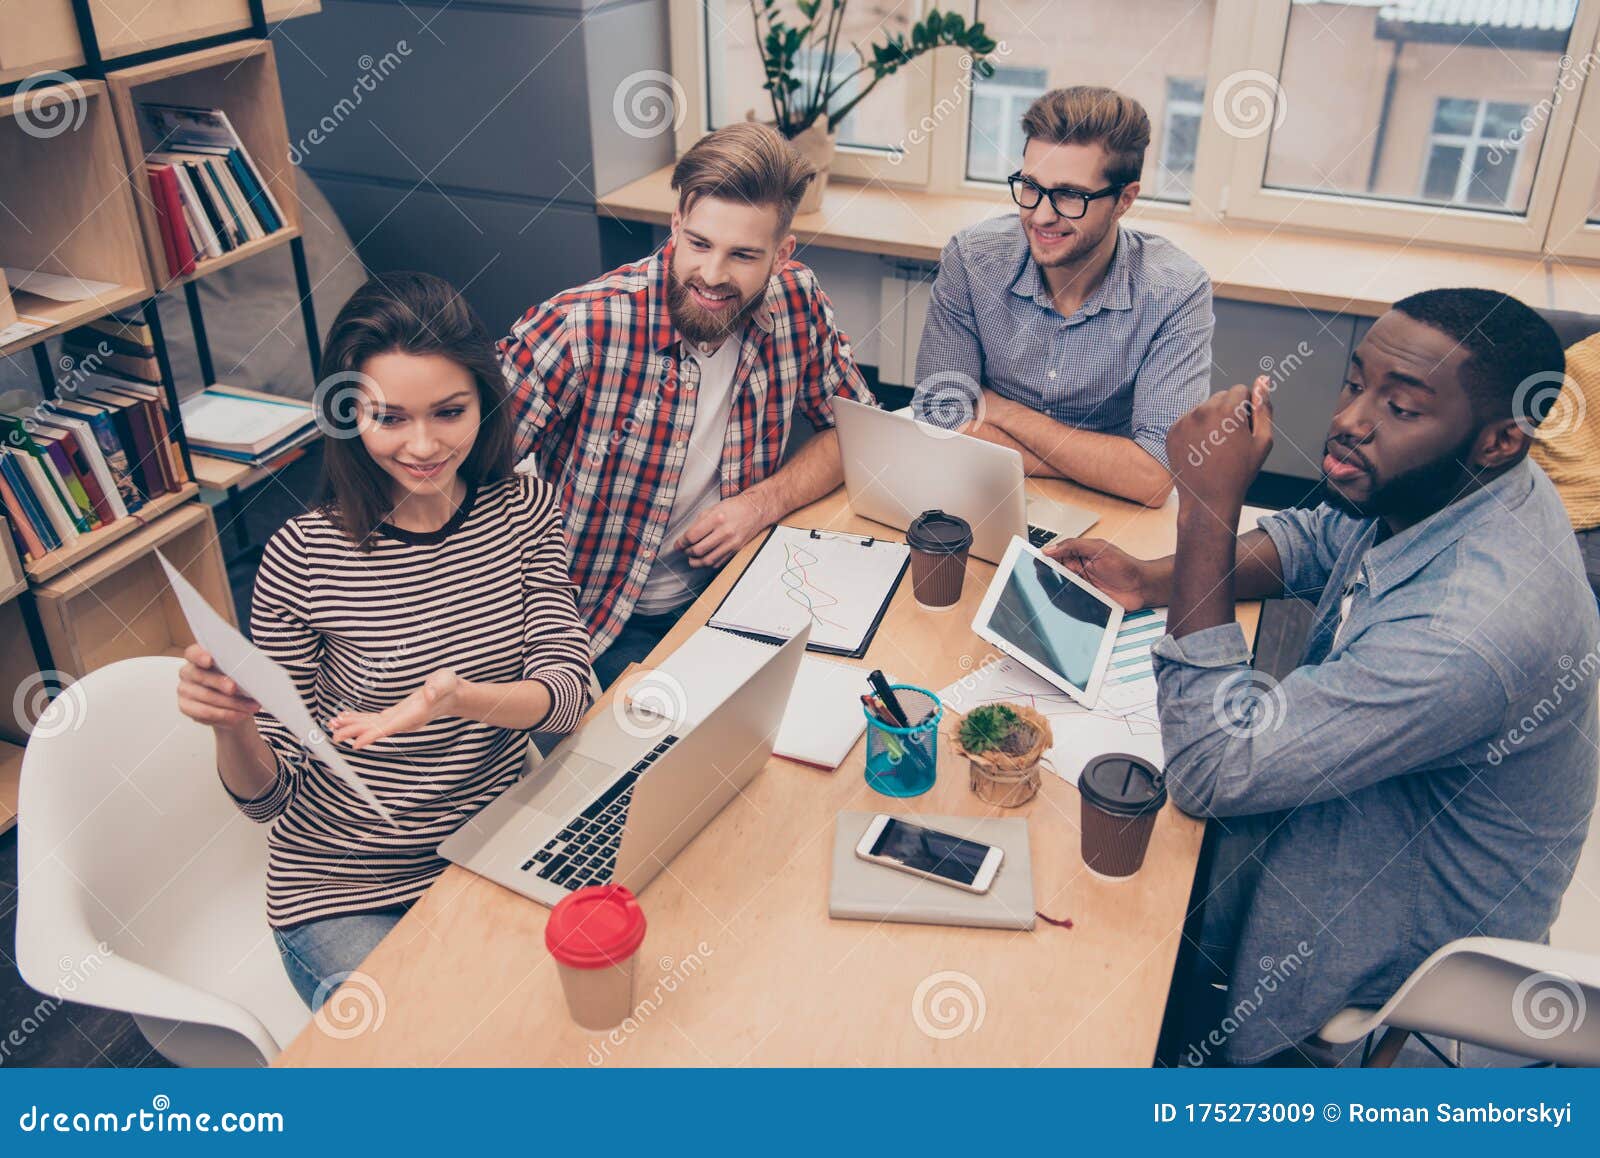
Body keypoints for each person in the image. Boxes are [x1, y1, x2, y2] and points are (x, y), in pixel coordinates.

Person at [1047, 288, 1598, 1065]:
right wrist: (1152, 579)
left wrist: (1206, 507)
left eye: (1400, 407)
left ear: (1500, 441)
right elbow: (1317, 539)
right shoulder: (1458, 484)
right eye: (1356, 382)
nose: (1351, 419)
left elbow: (1213, 768)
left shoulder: (1470, 635)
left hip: (1404, 942)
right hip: (1371, 828)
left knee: (1097, 934)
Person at [176, 273, 594, 1009]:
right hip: (344, 888)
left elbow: (568, 699)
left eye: (449, 412)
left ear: (483, 404)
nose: (425, 445)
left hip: (487, 849)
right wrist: (234, 726)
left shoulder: (525, 511)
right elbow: (269, 803)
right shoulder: (302, 560)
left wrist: (460, 698)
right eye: (390, 418)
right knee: (414, 1062)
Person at [499, 122, 874, 688]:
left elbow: (857, 433)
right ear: (675, 225)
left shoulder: (798, 300)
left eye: (744, 254)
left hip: (734, 594)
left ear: (781, 254)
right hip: (591, 626)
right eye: (698, 244)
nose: (713, 275)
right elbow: (453, 478)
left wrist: (760, 504)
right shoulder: (580, 326)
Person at [914, 85, 1212, 508]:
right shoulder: (971, 258)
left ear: (1124, 200)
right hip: (984, 492)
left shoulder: (1177, 292)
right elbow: (939, 416)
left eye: (1070, 195)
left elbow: (1153, 478)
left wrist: (1001, 410)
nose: (1041, 215)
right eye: (1030, 186)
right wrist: (1101, 464)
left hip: (1109, 513)